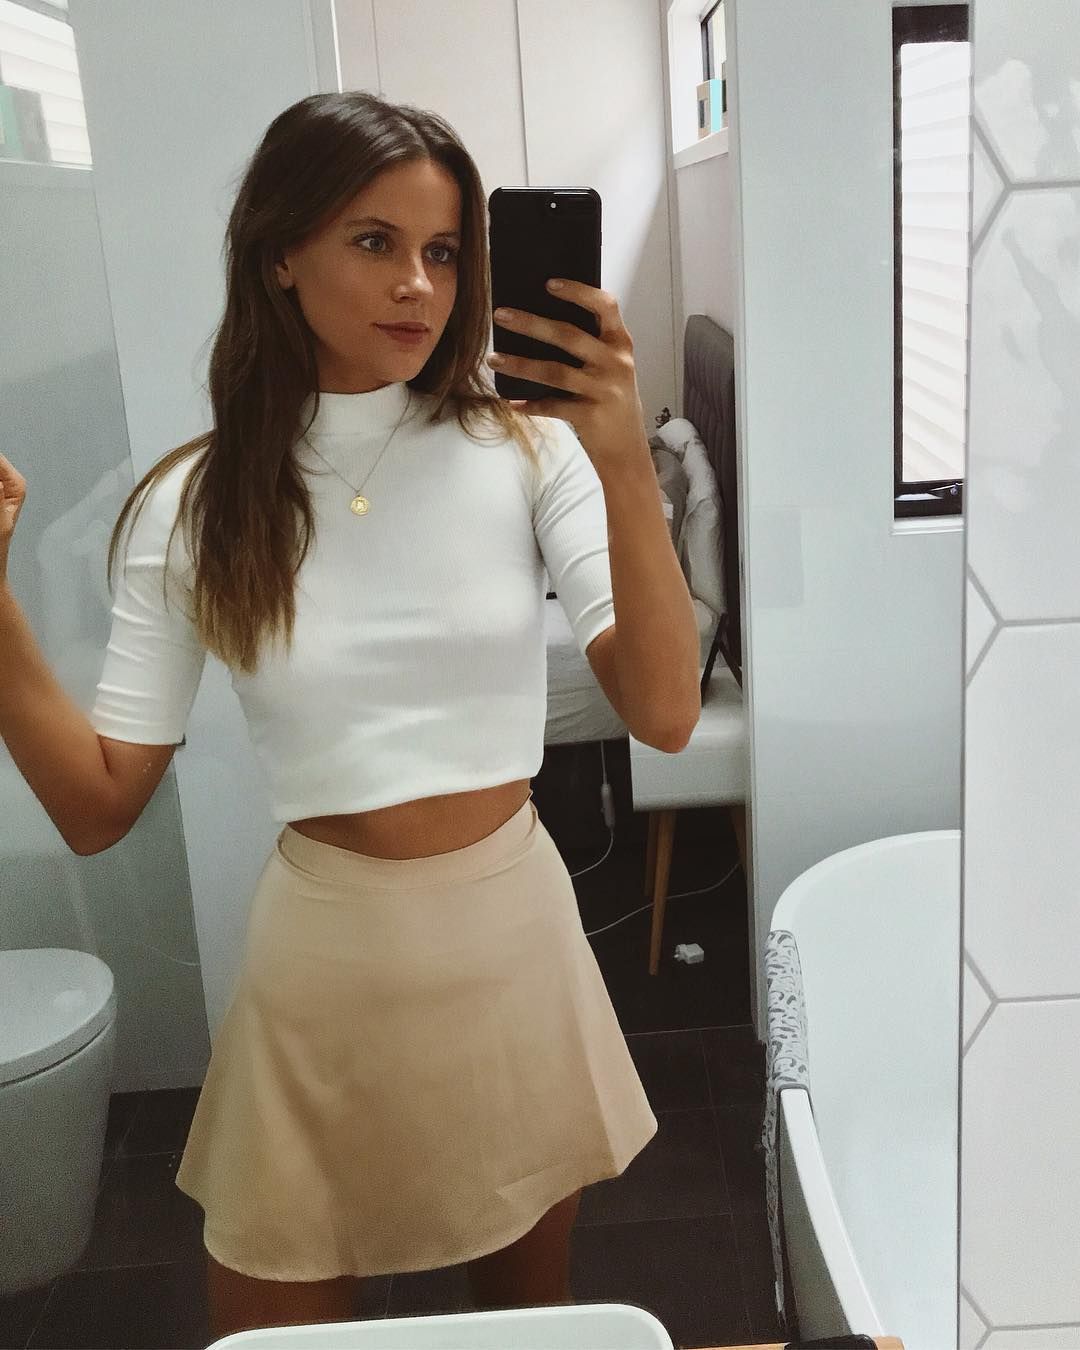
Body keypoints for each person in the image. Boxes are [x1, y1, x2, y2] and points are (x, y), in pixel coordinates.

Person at [0, 91, 701, 1341]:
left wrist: (619, 458)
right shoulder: (196, 502)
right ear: (282, 251)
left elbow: (664, 711)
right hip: (323, 972)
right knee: (268, 1336)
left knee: (524, 1329)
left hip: (512, 949)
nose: (418, 286)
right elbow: (98, 806)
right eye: (375, 242)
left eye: (444, 252)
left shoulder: (528, 455)